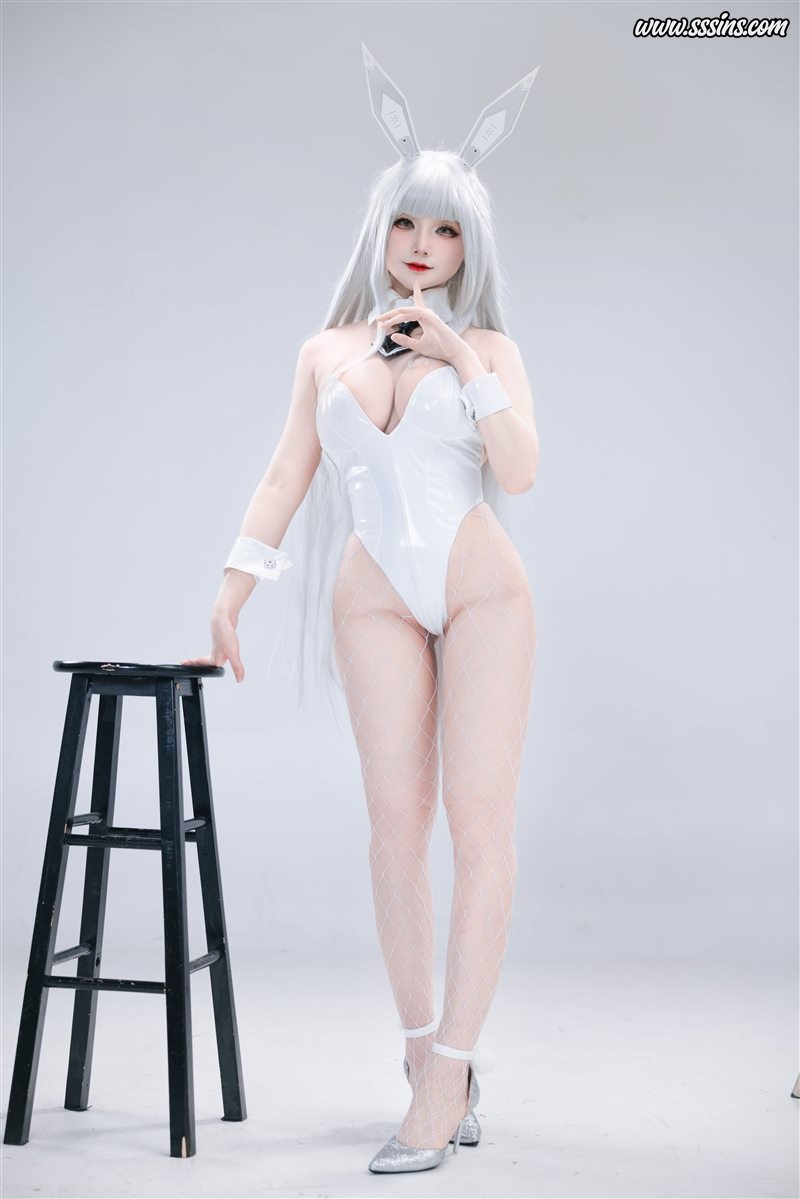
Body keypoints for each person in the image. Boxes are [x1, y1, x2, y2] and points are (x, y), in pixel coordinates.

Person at [182, 44, 541, 1175]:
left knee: (479, 826)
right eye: (406, 224)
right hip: (371, 598)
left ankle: (452, 1071)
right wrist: (232, 590)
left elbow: (520, 471)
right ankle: (423, 1051)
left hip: (481, 591)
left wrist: (458, 355)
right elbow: (284, 476)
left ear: (469, 247)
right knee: (395, 827)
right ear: (378, 231)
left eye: (446, 231)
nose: (423, 245)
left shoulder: (489, 346)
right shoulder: (324, 349)